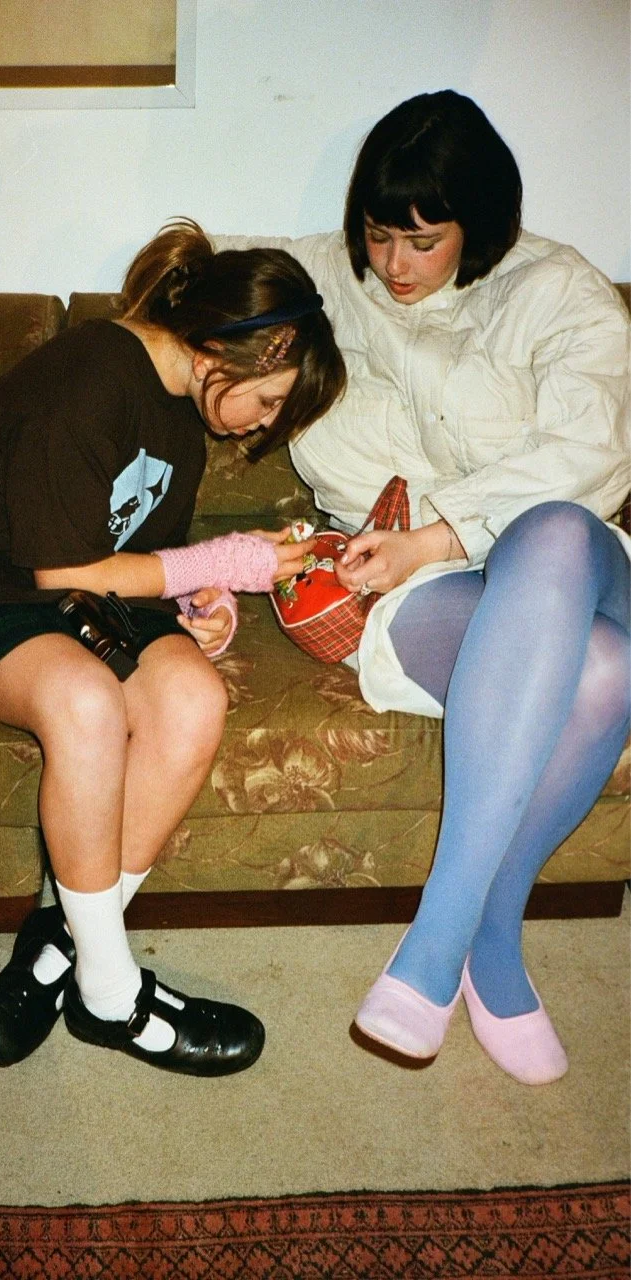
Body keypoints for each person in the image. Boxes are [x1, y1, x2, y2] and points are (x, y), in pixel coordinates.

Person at [217, 90, 630, 1084]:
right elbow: (187, 305)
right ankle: (492, 938)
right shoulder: (318, 276)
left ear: (477, 228)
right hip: (412, 594)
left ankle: (434, 941)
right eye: (378, 235)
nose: (394, 267)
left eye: (424, 240)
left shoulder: (561, 290)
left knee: (558, 536)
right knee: (608, 671)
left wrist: (443, 535)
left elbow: (597, 448)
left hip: (575, 555)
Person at [0, 219, 345, 1075]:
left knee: (195, 695)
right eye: (269, 400)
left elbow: (139, 554)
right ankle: (112, 997)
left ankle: (61, 942)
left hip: (79, 596)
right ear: (223, 353)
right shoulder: (91, 373)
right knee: (85, 702)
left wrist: (203, 600)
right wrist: (216, 563)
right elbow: (58, 566)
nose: (261, 427)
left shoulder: (176, 411)